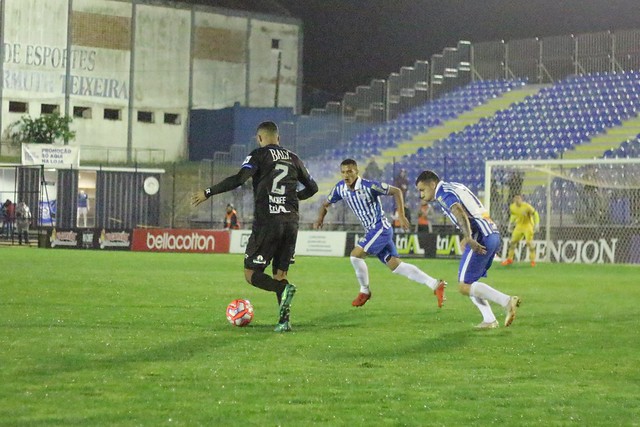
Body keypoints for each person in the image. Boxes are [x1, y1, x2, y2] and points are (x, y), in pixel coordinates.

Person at [192, 121, 318, 332]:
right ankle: (284, 322)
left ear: (259, 138)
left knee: (251, 273)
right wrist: (293, 197)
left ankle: (283, 290)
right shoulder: (293, 158)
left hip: (268, 222)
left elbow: (239, 179)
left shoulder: (259, 155)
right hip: (291, 222)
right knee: (280, 273)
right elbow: (312, 188)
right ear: (278, 138)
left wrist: (208, 192)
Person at [314, 159, 446, 308]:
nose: (346, 175)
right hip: (373, 231)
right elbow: (325, 204)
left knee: (355, 255)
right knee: (397, 267)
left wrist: (401, 216)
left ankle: (364, 291)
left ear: (357, 172)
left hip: (380, 228)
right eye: (343, 172)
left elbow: (396, 191)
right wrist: (320, 218)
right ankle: (435, 284)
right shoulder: (340, 188)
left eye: (349, 171)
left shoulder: (369, 186)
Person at [415, 170, 521, 329]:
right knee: (470, 283)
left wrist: (469, 237)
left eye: (422, 190)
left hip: (481, 236)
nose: (421, 195)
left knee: (464, 286)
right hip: (491, 232)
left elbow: (459, 211)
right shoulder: (454, 186)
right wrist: (468, 235)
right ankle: (489, 319)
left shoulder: (443, 193)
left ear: (432, 184)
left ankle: (506, 301)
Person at [501, 194, 540, 267]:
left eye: (518, 198)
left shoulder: (527, 206)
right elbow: (513, 215)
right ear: (514, 200)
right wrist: (510, 223)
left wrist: (537, 223)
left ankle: (533, 261)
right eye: (516, 198)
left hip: (528, 225)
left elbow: (535, 213)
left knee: (529, 243)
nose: (517, 200)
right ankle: (509, 259)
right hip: (519, 226)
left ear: (521, 199)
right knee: (513, 242)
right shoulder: (512, 207)